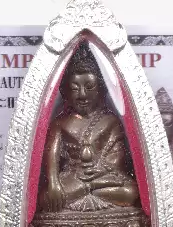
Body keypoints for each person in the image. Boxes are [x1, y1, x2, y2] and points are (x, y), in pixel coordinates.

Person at [39, 42, 139, 213]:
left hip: (103, 177)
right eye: (75, 88)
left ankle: (88, 188)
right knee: (46, 199)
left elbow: (118, 158)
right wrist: (54, 183)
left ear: (101, 88)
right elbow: (51, 158)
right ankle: (87, 189)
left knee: (130, 192)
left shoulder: (110, 121)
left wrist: (99, 172)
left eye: (89, 87)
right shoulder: (60, 123)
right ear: (66, 91)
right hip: (72, 178)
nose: (82, 95)